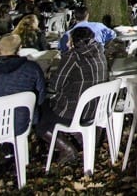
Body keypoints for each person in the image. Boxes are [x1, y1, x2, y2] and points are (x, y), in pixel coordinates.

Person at [36, 27, 108, 162]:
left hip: (74, 111)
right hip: (97, 109)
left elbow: (55, 85)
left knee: (41, 116)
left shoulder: (73, 57)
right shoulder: (100, 52)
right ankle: (82, 140)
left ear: (73, 41)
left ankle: (67, 150)